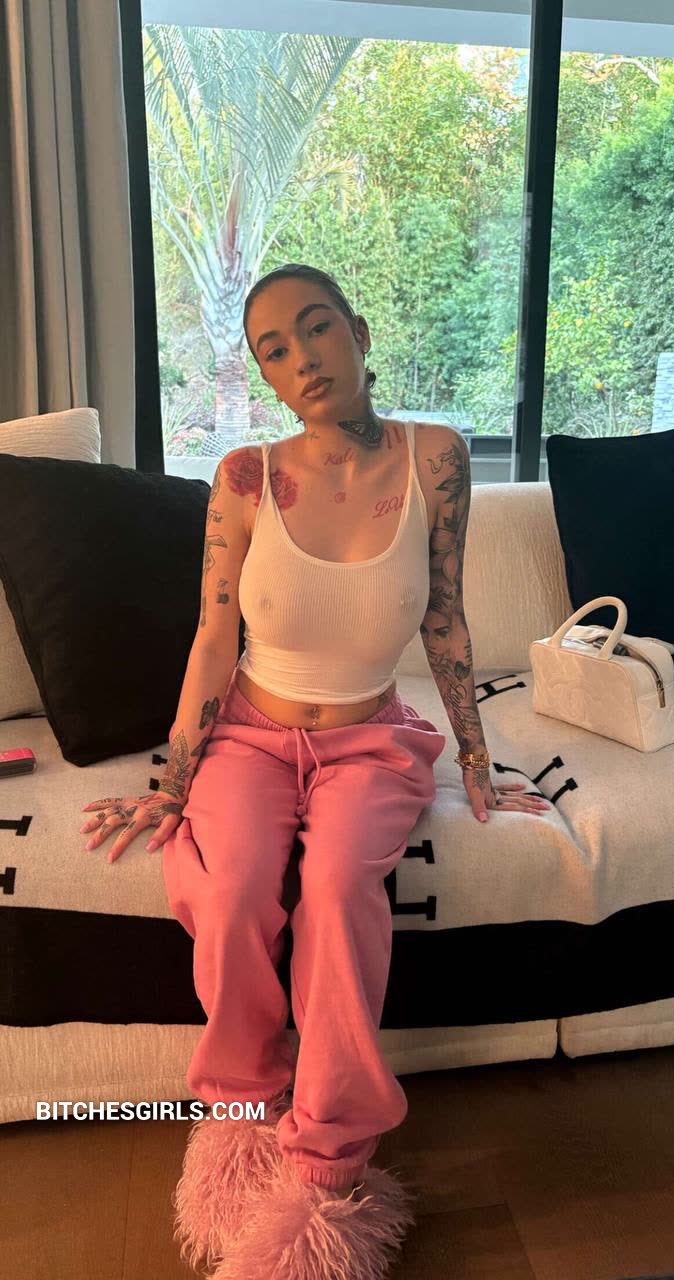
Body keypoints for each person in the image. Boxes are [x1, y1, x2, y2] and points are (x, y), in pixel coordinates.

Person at [79, 263, 551, 1279]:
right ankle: (244, 1111)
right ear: (266, 375)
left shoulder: (436, 459)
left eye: (318, 328)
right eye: (275, 350)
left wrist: (475, 759)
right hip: (250, 733)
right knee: (234, 888)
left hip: (369, 740)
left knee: (337, 892)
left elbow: (444, 617)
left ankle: (330, 1168)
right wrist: (173, 781)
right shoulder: (245, 476)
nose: (304, 359)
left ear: (359, 333)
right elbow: (214, 639)